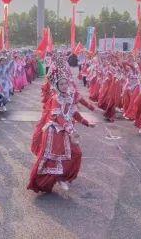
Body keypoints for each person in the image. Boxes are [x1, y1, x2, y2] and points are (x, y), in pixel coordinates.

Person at [28, 63, 94, 194]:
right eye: (61, 84)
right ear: (57, 86)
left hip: (66, 131)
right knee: (53, 160)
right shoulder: (55, 98)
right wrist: (70, 130)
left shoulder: (69, 96)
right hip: (55, 132)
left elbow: (74, 113)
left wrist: (87, 122)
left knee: (76, 154)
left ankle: (63, 177)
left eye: (66, 83)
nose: (64, 86)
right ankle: (46, 182)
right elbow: (58, 118)